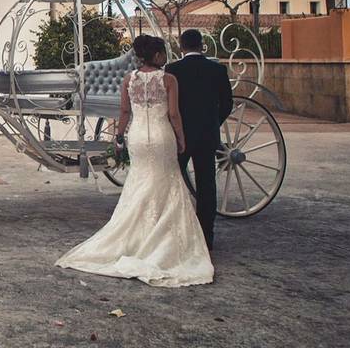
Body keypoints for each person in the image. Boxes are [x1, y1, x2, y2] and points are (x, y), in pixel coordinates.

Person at [56, 34, 214, 287]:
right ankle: (161, 238)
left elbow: (125, 112)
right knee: (166, 181)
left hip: (138, 137)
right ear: (157, 55)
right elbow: (173, 114)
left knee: (140, 182)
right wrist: (181, 138)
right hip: (162, 136)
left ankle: (134, 236)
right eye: (163, 52)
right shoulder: (168, 79)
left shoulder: (129, 80)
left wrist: (119, 136)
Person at [165, 29, 233, 251]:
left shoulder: (172, 70)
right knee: (206, 186)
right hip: (207, 135)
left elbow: (167, 106)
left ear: (181, 47)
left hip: (180, 135)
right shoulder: (218, 70)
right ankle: (206, 236)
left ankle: (173, 232)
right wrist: (213, 122)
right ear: (202, 45)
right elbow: (227, 104)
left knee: (173, 181)